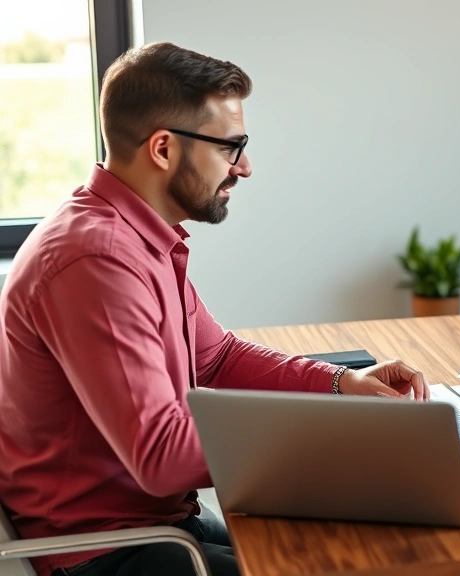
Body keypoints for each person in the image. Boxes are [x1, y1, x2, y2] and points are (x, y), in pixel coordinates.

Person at [0, 42, 428, 576]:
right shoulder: (97, 258)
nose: (244, 167)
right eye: (231, 147)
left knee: (360, 543)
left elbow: (218, 358)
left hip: (155, 523)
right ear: (163, 149)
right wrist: (337, 431)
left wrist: (342, 384)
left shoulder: (133, 235)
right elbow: (162, 458)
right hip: (106, 552)